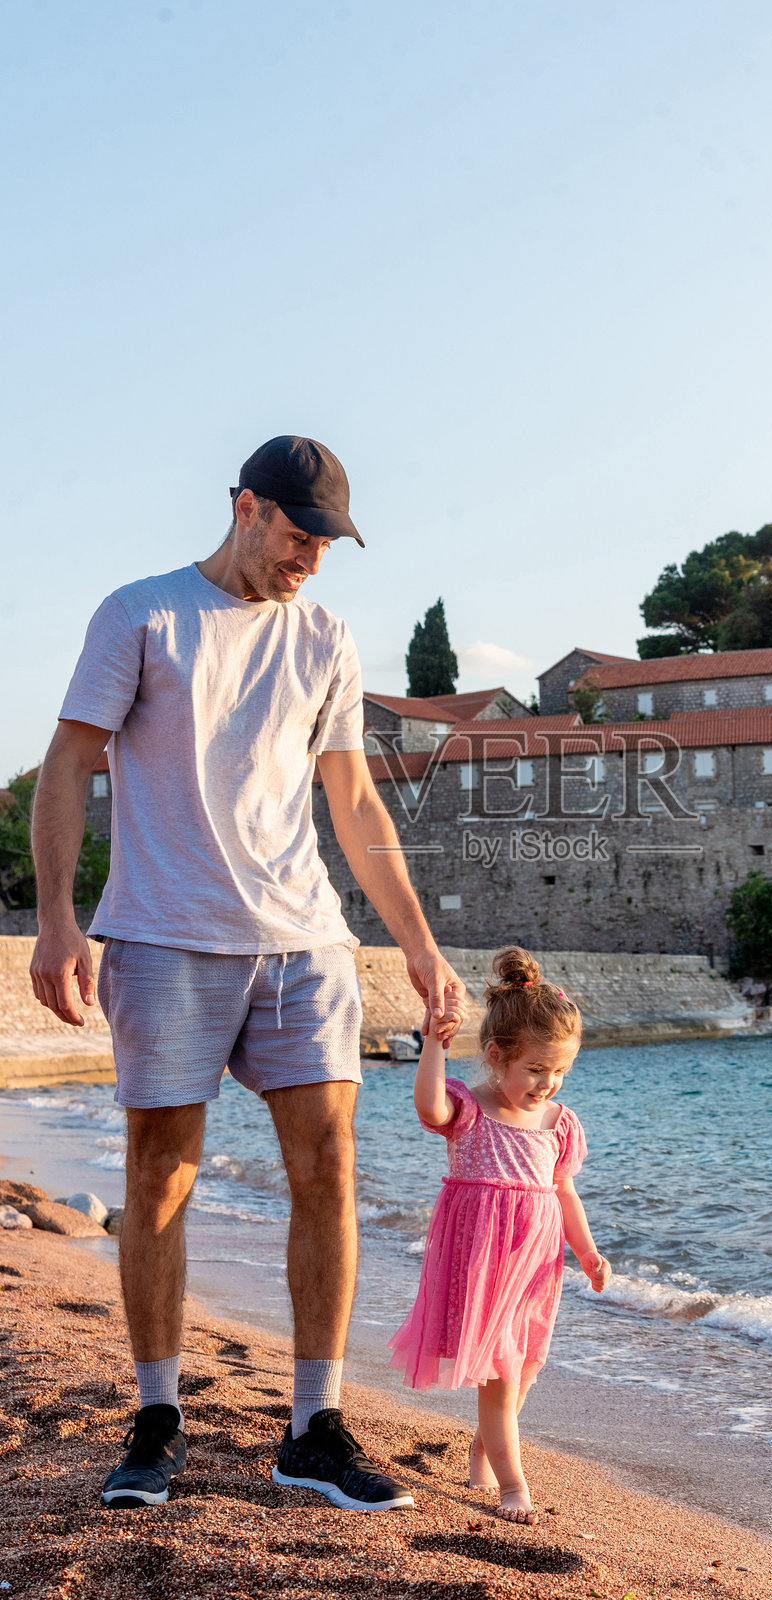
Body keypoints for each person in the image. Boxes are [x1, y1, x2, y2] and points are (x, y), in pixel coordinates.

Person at [29, 435, 466, 1514]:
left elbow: (355, 804)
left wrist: (413, 942)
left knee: (328, 1164)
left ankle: (313, 1427)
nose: (312, 557)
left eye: (329, 542)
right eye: (300, 533)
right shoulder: (142, 613)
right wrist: (54, 918)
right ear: (246, 507)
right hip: (164, 933)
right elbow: (69, 762)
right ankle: (157, 1414)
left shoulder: (325, 637)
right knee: (160, 1174)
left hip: (303, 938)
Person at [387, 945, 611, 1525]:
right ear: (496, 1056)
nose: (548, 1083)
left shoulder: (558, 1123)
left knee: (526, 1366)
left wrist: (586, 1252)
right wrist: (433, 1045)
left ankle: (485, 1445)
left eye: (559, 1071)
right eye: (536, 1070)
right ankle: (513, 1485)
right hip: (480, 1256)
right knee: (499, 1371)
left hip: (536, 1261)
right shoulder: (471, 1108)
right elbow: (429, 1107)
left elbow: (563, 1191)